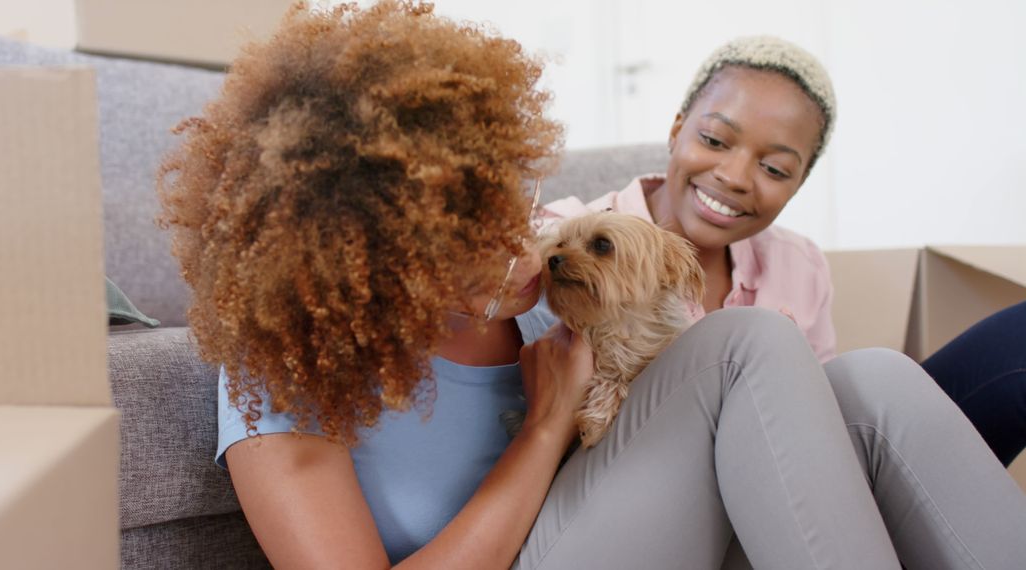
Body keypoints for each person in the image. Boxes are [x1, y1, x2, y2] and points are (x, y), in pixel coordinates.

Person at [159, 5, 1026, 569]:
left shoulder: (547, 296)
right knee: (747, 343)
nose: (524, 237)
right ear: (386, 258)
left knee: (871, 380)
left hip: (628, 527)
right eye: (474, 235)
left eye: (515, 199)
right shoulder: (281, 374)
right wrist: (541, 432)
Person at [544, 35, 1026, 469]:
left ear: (798, 185)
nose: (733, 177)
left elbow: (817, 420)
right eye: (713, 140)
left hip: (800, 470)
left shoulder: (799, 266)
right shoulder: (556, 235)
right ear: (676, 130)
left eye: (774, 169)